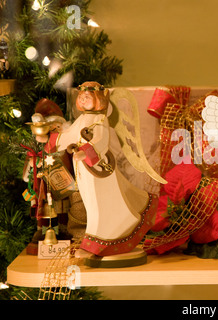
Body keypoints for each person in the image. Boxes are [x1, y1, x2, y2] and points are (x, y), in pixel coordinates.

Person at [40, 81, 156, 256]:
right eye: (82, 97)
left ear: (98, 98)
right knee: (91, 203)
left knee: (98, 204)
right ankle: (107, 234)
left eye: (88, 96)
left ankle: (97, 243)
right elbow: (70, 135)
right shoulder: (83, 119)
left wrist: (85, 152)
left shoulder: (100, 119)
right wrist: (50, 141)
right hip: (85, 172)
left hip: (98, 170)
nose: (84, 99)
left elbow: (100, 141)